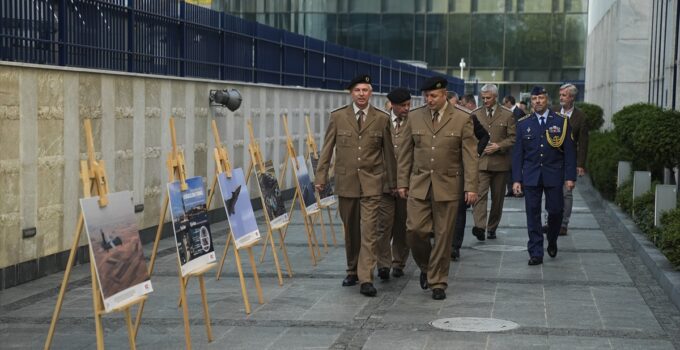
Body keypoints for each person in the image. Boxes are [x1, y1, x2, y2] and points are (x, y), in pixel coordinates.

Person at [315, 74, 396, 297]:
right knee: (351, 230)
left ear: (371, 93)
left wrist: (393, 183)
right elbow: (327, 148)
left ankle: (365, 278)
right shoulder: (338, 117)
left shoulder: (381, 118)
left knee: (369, 231)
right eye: (358, 90)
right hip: (346, 182)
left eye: (366, 90)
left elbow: (389, 153)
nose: (362, 94)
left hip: (373, 183)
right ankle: (352, 269)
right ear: (351, 93)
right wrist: (321, 176)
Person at [397, 76, 478, 300]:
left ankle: (438, 282)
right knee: (414, 231)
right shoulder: (414, 117)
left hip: (449, 186)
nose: (429, 99)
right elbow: (405, 154)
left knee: (443, 236)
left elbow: (470, 156)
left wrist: (471, 187)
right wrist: (402, 182)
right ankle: (427, 267)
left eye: (433, 96)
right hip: (419, 184)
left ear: (444, 95)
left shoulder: (462, 119)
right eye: (426, 96)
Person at [512, 86, 576, 266]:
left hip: (554, 174)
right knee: (532, 214)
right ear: (531, 101)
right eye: (534, 99)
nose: (537, 102)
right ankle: (536, 252)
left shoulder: (561, 121)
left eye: (540, 98)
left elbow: (570, 152)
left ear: (547, 99)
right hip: (531, 175)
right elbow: (518, 154)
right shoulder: (524, 123)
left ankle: (553, 239)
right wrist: (516, 179)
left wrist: (570, 177)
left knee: (556, 211)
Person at [471, 84, 516, 241]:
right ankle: (479, 227)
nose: (485, 100)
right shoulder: (475, 114)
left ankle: (492, 227)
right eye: (483, 98)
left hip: (500, 164)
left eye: (488, 98)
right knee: (479, 196)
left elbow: (513, 137)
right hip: (481, 162)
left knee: (497, 199)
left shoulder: (507, 115)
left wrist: (499, 146)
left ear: (495, 97)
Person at [376, 88, 411, 279]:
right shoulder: (381, 120)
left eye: (408, 105)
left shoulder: (413, 122)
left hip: (406, 184)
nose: (407, 109)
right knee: (383, 225)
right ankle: (383, 263)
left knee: (402, 225)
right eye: (403, 106)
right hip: (385, 182)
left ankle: (399, 262)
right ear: (392, 105)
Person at [555, 83, 589, 236]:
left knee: (566, 192)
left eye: (564, 95)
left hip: (569, 160)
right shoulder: (553, 112)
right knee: (551, 191)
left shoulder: (580, 117)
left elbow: (583, 142)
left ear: (572, 97)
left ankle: (563, 224)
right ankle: (550, 221)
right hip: (551, 159)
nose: (561, 98)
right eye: (560, 95)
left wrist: (580, 164)